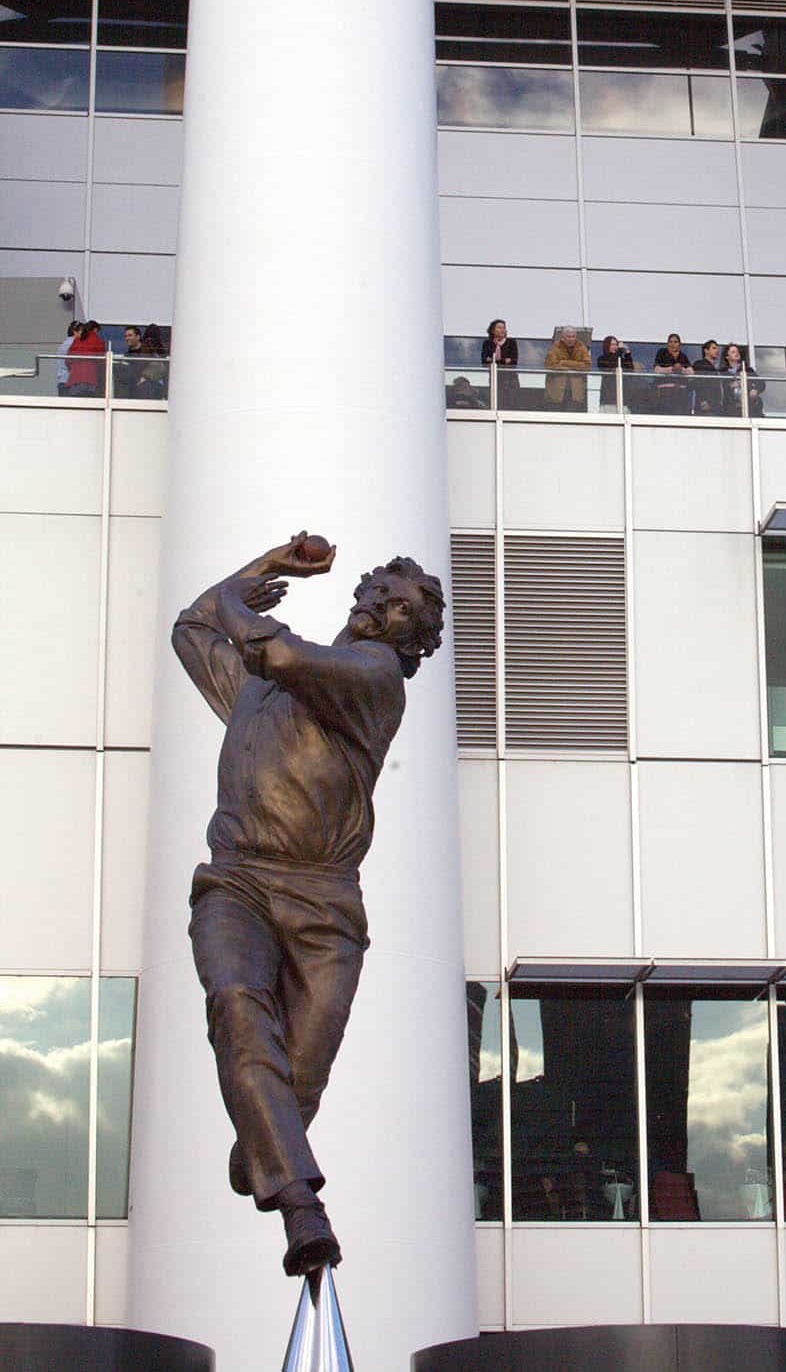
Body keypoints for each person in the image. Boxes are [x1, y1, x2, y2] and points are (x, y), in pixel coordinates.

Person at [173, 531, 445, 1276]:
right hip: (236, 880)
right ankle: (300, 1205)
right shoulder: (257, 690)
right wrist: (261, 568)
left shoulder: (374, 678)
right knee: (236, 1004)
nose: (381, 606)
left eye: (401, 607)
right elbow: (194, 630)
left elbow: (277, 650)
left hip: (323, 904)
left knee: (297, 1080)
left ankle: (264, 1141)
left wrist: (237, 598)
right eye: (379, 592)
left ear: (413, 640)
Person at [544, 325, 591, 412]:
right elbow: (550, 364)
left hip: (575, 393)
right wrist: (576, 365)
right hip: (556, 392)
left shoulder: (581, 347)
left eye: (573, 336)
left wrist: (564, 362)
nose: (571, 339)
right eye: (568, 336)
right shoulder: (555, 347)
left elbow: (587, 366)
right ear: (562, 337)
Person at [481, 317, 519, 408]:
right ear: (493, 330)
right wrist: (504, 360)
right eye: (499, 327)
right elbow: (484, 360)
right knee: (496, 402)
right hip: (495, 379)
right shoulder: (487, 343)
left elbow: (513, 361)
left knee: (510, 404)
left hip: (510, 380)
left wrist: (494, 360)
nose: (502, 330)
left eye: (504, 327)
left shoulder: (511, 342)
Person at [720, 341, 765, 417]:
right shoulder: (722, 372)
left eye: (737, 351)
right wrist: (729, 386)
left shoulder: (748, 369)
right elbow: (718, 389)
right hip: (731, 410)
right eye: (733, 352)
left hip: (750, 408)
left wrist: (755, 390)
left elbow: (761, 384)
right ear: (727, 357)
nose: (736, 353)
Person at [653, 333, 693, 414]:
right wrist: (672, 369)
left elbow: (691, 372)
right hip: (665, 393)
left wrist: (681, 369)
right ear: (667, 343)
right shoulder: (662, 353)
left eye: (675, 342)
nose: (673, 344)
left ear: (679, 344)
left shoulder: (683, 356)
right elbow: (656, 370)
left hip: (681, 393)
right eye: (670, 342)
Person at [65, 318, 106, 397]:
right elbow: (101, 363)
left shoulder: (77, 340)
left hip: (74, 379)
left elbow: (67, 360)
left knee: (76, 406)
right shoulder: (98, 341)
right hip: (90, 378)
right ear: (95, 329)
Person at [597, 335, 634, 411]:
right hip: (608, 398)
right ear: (607, 346)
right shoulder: (601, 358)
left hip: (623, 396)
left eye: (616, 345)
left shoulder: (621, 359)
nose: (615, 347)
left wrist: (627, 354)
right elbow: (611, 365)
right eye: (613, 345)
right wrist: (619, 351)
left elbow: (630, 369)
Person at [691, 339, 725, 415]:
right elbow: (697, 383)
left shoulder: (717, 369)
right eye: (714, 348)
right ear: (706, 350)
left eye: (717, 349)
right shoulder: (700, 364)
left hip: (717, 407)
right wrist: (703, 401)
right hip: (705, 406)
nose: (717, 351)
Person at [136, 324, 169, 401]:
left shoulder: (160, 348)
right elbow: (141, 362)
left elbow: (164, 359)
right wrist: (149, 347)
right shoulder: (144, 346)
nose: (152, 340)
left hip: (159, 382)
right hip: (146, 382)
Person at [55, 320, 82, 397]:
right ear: (75, 332)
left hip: (62, 380)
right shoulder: (74, 344)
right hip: (71, 383)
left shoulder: (63, 344)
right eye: (82, 331)